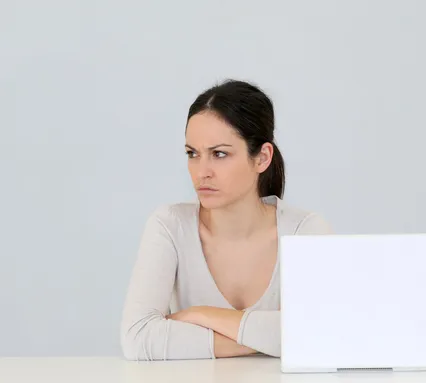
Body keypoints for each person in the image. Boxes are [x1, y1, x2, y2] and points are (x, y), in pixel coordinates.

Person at [120, 79, 333, 361]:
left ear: (262, 158)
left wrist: (201, 315)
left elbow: (325, 332)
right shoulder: (169, 226)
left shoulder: (305, 231)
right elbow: (138, 338)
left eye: (219, 154)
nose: (202, 171)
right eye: (192, 154)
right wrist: (275, 338)